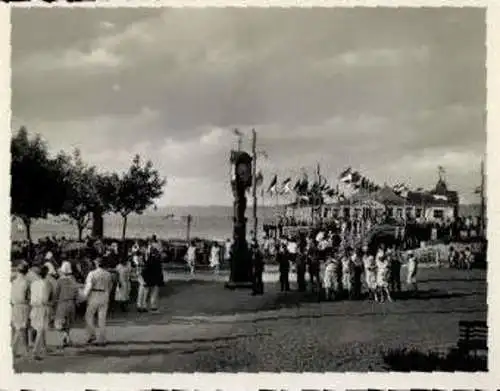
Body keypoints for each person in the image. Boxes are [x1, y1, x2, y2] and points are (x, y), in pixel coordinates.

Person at [83, 256, 113, 346]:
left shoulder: (92, 273)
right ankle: (102, 339)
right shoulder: (108, 274)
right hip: (104, 294)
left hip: (94, 295)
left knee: (88, 316)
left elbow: (88, 287)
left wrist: (84, 296)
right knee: (102, 318)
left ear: (96, 263)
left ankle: (92, 335)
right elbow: (110, 286)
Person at [29, 265, 54, 360]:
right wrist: (51, 304)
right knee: (41, 330)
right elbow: (45, 299)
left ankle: (44, 347)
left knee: (40, 329)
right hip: (42, 307)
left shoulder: (33, 283)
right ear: (46, 273)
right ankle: (35, 351)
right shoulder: (47, 283)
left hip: (34, 307)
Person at [53, 261, 79, 347]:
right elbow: (76, 292)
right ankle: (67, 338)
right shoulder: (73, 279)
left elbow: (56, 293)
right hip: (71, 303)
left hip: (62, 303)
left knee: (59, 323)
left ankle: (65, 337)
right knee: (68, 322)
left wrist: (54, 303)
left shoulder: (60, 281)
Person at [11, 262, 31, 358]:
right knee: (22, 329)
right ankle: (15, 349)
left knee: (19, 328)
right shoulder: (26, 282)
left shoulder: (14, 282)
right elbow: (29, 296)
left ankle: (25, 350)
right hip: (23, 306)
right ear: (26, 271)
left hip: (15, 306)